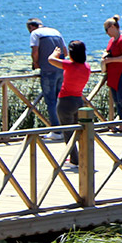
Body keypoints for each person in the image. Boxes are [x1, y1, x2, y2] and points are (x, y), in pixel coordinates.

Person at [48, 40, 91, 168]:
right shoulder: (86, 67)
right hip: (79, 100)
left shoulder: (69, 66)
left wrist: (55, 53)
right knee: (80, 131)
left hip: (65, 101)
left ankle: (74, 160)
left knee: (68, 132)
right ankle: (83, 156)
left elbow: (50, 59)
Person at [27, 18, 67, 140]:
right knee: (60, 99)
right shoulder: (56, 31)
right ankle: (64, 128)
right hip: (61, 69)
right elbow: (65, 50)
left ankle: (56, 130)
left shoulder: (35, 33)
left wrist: (36, 63)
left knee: (50, 101)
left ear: (31, 27)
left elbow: (35, 51)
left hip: (48, 70)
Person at [102, 15, 122, 133]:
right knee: (116, 100)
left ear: (112, 27)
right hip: (112, 74)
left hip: (121, 73)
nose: (106, 33)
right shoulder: (111, 41)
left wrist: (110, 60)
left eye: (107, 29)